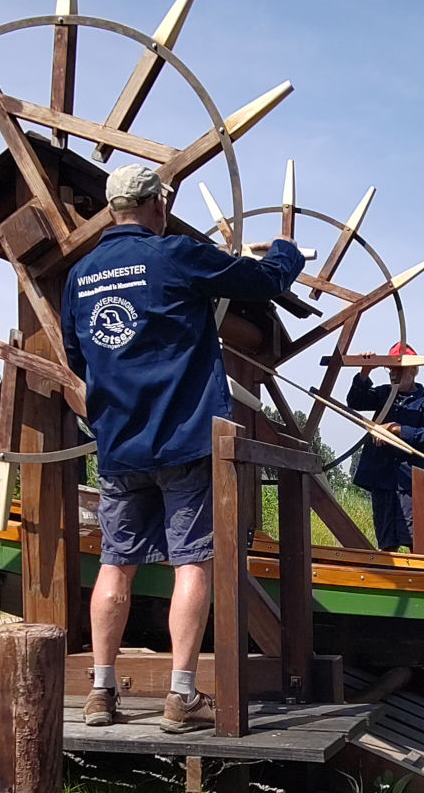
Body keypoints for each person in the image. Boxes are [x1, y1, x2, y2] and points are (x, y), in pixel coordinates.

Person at [62, 163, 306, 732]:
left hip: (120, 448)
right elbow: (264, 283)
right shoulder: (172, 254)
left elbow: (79, 358)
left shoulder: (81, 275)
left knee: (115, 564)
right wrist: (285, 252)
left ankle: (101, 692)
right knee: (192, 563)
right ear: (159, 205)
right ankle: (181, 696)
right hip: (186, 443)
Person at [346, 342, 424, 552]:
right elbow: (356, 401)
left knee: (415, 540)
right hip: (383, 480)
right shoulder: (383, 394)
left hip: (412, 483)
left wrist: (397, 429)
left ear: (414, 370)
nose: (393, 374)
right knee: (386, 541)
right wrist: (364, 373)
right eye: (390, 369)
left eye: (399, 369)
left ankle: (420, 580)